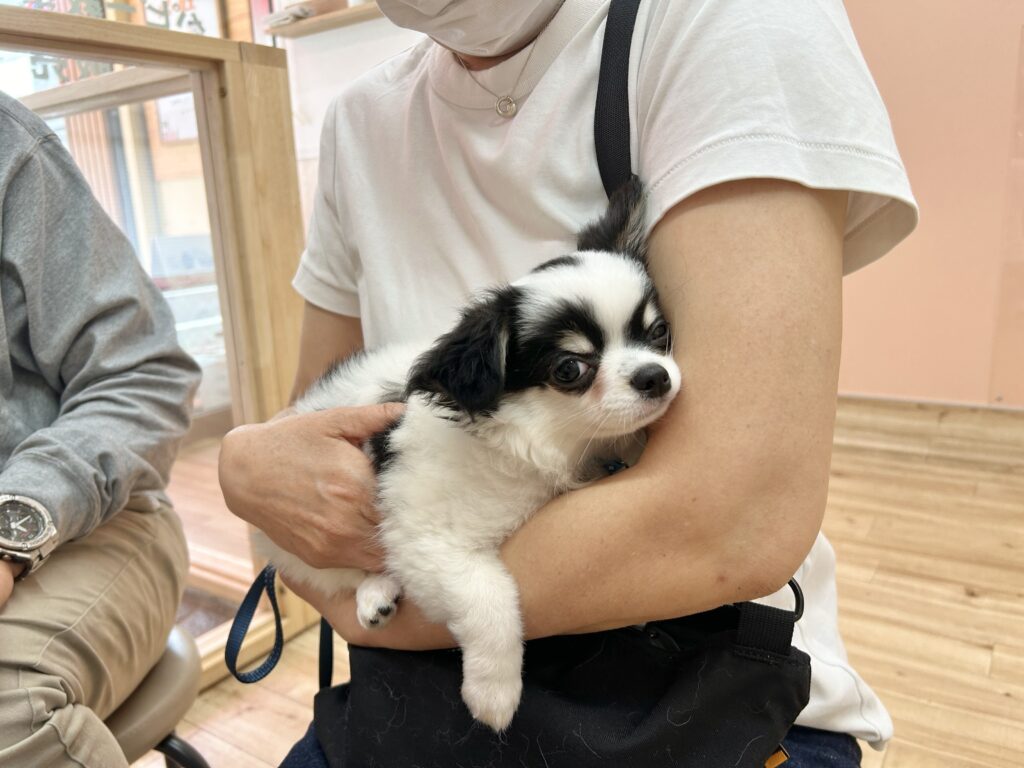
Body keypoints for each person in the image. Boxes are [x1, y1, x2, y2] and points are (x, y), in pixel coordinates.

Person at [218, 0, 919, 765]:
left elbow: (729, 522)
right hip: (418, 697)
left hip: (700, 695)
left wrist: (391, 604)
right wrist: (244, 467)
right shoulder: (358, 121)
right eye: (570, 369)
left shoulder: (724, 20)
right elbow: (311, 444)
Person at [0, 91, 201, 766]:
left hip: (86, 522)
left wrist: (7, 532)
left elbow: (143, 376)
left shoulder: (10, 148)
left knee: (5, 709)